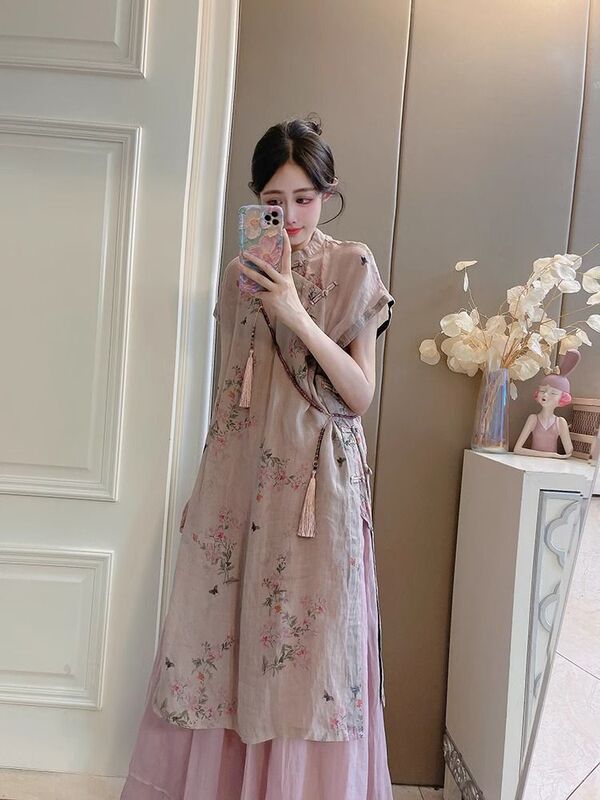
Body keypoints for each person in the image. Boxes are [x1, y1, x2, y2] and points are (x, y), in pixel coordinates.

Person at [120, 114, 396, 799]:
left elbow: (360, 395)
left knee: (306, 648)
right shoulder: (237, 276)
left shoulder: (352, 266)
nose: (291, 216)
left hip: (316, 491)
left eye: (304, 198)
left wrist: (295, 311)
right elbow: (229, 393)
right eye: (274, 201)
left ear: (328, 194)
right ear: (256, 201)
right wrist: (206, 487)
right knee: (225, 637)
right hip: (240, 482)